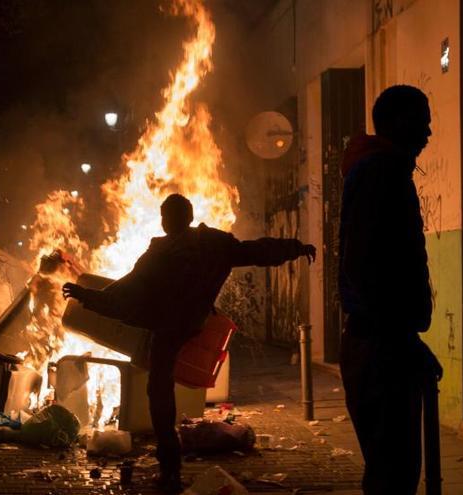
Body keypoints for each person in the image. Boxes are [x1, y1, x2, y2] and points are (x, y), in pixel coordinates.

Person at [63, 193, 315, 492]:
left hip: (167, 328)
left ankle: (170, 469)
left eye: (165, 216)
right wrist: (295, 248)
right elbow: (256, 251)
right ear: (191, 216)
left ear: (169, 219)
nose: (163, 222)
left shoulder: (160, 252)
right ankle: (170, 466)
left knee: (159, 392)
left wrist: (86, 297)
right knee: (160, 388)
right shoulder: (215, 245)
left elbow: (124, 293)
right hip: (190, 324)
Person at [338, 84, 443, 494]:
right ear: (398, 122)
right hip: (382, 350)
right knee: (394, 475)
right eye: (423, 121)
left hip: (379, 344)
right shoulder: (383, 173)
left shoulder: (376, 170)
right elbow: (367, 266)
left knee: (388, 471)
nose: (428, 132)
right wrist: (404, 342)